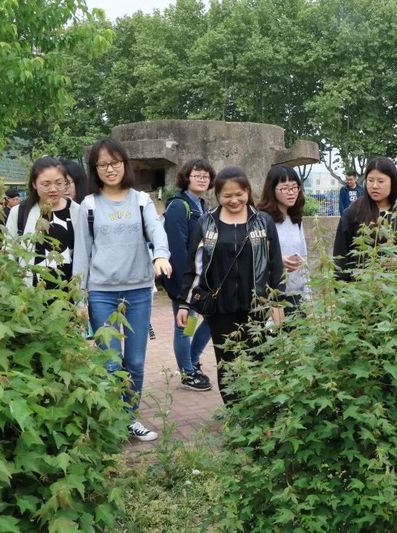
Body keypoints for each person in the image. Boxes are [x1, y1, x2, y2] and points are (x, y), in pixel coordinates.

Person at [73, 138, 172, 442]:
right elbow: (82, 253)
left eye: (115, 162)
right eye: (102, 164)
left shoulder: (141, 201)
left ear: (125, 165)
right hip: (101, 293)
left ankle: (129, 418)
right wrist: (79, 299)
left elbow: (156, 231)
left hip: (138, 291)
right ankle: (113, 420)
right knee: (111, 362)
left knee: (136, 362)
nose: (109, 169)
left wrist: (161, 255)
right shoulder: (89, 205)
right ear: (94, 169)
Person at [176, 166, 284, 405]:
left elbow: (275, 265)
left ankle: (256, 409)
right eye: (227, 195)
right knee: (227, 361)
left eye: (239, 194)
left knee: (257, 358)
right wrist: (185, 303)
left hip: (256, 306)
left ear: (248, 192)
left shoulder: (263, 221)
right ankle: (235, 412)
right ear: (218, 195)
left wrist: (277, 302)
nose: (234, 200)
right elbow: (194, 266)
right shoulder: (206, 223)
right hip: (220, 308)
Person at [163, 159, 215, 392]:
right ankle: (187, 372)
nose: (202, 179)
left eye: (206, 176)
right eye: (197, 175)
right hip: (185, 279)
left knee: (207, 319)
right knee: (185, 325)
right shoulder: (178, 206)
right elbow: (177, 249)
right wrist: (187, 284)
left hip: (202, 279)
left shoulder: (202, 206)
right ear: (186, 178)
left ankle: (191, 362)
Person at [333, 157, 397, 280]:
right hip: (359, 288)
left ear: (393, 182)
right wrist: (342, 287)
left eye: (381, 181)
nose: (374, 186)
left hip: (394, 287)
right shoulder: (353, 213)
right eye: (370, 180)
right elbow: (340, 257)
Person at [5, 157, 80, 288]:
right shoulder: (19, 212)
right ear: (34, 184)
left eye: (59, 183)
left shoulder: (77, 211)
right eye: (46, 184)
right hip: (30, 294)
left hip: (70, 292)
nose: (53, 189)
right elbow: (9, 252)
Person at [258, 166, 310, 312]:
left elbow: (304, 257)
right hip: (271, 297)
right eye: (285, 188)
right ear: (272, 190)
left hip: (296, 295)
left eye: (294, 187)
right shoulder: (261, 220)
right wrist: (277, 261)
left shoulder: (296, 219)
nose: (291, 192)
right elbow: (253, 256)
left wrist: (308, 295)